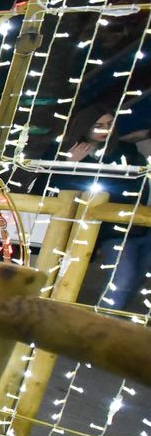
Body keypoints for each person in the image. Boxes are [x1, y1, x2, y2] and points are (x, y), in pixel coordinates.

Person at [63, 113, 150, 311]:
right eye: (98, 124)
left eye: (109, 124)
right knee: (123, 278)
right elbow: (50, 186)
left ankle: (109, 321)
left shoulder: (125, 150)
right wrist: (71, 164)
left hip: (136, 223)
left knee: (134, 279)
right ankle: (101, 324)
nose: (104, 129)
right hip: (103, 226)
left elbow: (137, 186)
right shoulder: (66, 148)